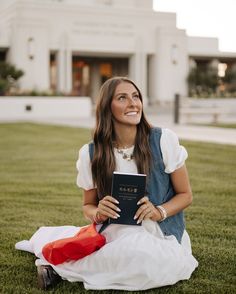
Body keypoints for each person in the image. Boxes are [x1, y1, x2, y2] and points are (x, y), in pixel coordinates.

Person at [15, 76, 198, 291]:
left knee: (147, 260)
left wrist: (159, 211)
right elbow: (88, 206)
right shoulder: (91, 153)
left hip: (160, 232)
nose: (133, 103)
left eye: (136, 96)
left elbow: (186, 194)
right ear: (107, 107)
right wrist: (98, 213)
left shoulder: (162, 140)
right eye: (122, 98)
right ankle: (54, 265)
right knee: (126, 255)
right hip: (114, 230)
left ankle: (55, 267)